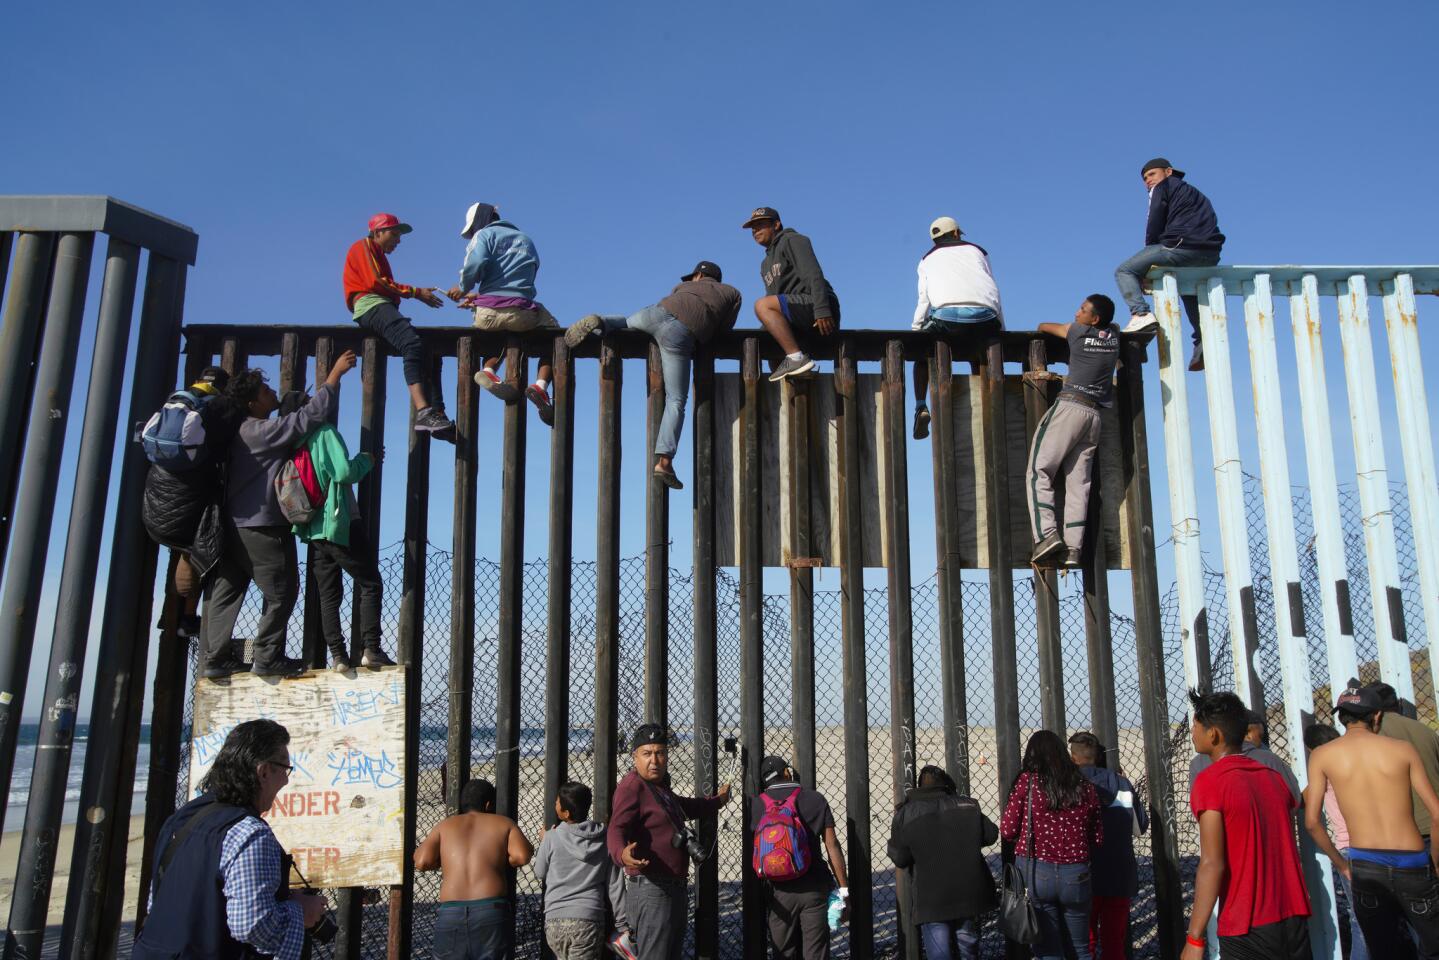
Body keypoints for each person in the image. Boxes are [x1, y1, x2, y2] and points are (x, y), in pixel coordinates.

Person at [201, 350, 358, 679]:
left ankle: (213, 659)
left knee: (228, 589)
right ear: (252, 403)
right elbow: (305, 420)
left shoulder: (238, 434)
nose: (271, 392)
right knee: (282, 591)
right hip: (263, 526)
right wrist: (334, 376)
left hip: (233, 525)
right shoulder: (257, 431)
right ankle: (267, 658)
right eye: (264, 391)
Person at [133, 719, 326, 959]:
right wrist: (300, 912)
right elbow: (253, 925)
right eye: (285, 769)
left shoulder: (182, 819)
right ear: (264, 771)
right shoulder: (250, 834)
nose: (286, 780)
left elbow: (159, 901)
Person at [565, 261, 742, 489]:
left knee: (628, 322)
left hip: (654, 313)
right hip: (679, 333)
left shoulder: (681, 289)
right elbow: (724, 330)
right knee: (676, 400)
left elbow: (668, 306)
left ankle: (603, 321)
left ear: (698, 275)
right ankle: (664, 462)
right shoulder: (732, 293)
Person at [1306, 684, 1439, 958]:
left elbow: (1312, 823)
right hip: (1412, 859)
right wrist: (1436, 861)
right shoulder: (1402, 749)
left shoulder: (1323, 755)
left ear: (1341, 717)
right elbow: (1437, 813)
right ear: (1376, 716)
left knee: (1383, 950)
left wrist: (1342, 865)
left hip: (1365, 863)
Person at [1184, 690, 1311, 960]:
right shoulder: (1272, 776)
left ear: (1213, 734)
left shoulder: (1210, 782)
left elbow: (1212, 863)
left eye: (1195, 727)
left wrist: (1195, 937)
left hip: (1247, 921)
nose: (1192, 733)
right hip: (1293, 914)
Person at [275, 391, 393, 671]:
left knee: (329, 595)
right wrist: (367, 459)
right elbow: (344, 473)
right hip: (339, 524)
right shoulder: (324, 433)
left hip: (312, 530)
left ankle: (338, 656)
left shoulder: (292, 443)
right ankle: (371, 649)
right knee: (370, 583)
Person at [606, 723, 731, 960]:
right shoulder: (632, 787)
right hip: (652, 888)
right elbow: (616, 828)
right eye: (647, 753)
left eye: (660, 753)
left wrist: (718, 800)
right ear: (635, 757)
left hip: (674, 888)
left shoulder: (659, 788)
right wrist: (621, 854)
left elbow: (687, 806)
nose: (654, 760)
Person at [141, 366, 246, 638]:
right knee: (199, 553)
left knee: (182, 551)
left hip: (157, 495)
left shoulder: (176, 401)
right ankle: (188, 619)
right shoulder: (221, 407)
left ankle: (174, 615)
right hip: (191, 495)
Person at [1025, 295, 1120, 568]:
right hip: (1094, 416)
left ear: (1094, 319)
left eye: (1083, 310)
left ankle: (1046, 535)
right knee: (1079, 484)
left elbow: (1044, 325)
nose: (1077, 312)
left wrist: (1070, 324)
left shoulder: (1077, 332)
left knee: (1038, 470)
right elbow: (1113, 328)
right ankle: (1073, 549)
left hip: (1070, 407)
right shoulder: (1113, 337)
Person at [444, 203, 558, 425]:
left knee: (497, 332)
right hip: (522, 313)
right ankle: (541, 386)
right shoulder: (526, 240)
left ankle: (488, 369)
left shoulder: (484, 235)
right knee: (554, 336)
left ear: (480, 221)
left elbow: (475, 264)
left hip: (487, 314)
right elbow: (525, 279)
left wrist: (464, 288)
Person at [342, 212, 455, 436]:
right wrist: (415, 292)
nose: (398, 240)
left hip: (381, 306)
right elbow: (377, 281)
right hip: (370, 305)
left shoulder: (378, 253)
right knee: (412, 344)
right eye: (394, 233)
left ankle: (437, 413)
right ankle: (424, 411)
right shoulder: (364, 246)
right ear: (378, 232)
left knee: (427, 351)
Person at [1000, 730, 1101, 960]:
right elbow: (1097, 837)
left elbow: (1007, 829)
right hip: (1077, 873)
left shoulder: (1029, 781)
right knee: (1081, 948)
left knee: (1048, 951)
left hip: (1038, 871)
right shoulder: (1084, 784)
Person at [1115, 158, 1225, 372]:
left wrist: (1148, 257)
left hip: (1181, 247)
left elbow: (1154, 221)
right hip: (1209, 254)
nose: (1148, 181)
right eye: (1145, 178)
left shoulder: (1163, 187)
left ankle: (1140, 314)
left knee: (1125, 270)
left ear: (1168, 171)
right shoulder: (1195, 193)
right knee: (1188, 289)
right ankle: (1202, 342)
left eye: (1152, 174)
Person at [415, 778, 534, 960]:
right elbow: (522, 856)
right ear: (488, 804)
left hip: (451, 912)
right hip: (491, 910)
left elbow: (422, 861)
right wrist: (501, 859)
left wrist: (443, 863)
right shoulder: (503, 823)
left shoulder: (445, 826)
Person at [886, 765, 997, 960]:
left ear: (919, 787)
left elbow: (900, 858)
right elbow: (991, 835)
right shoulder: (968, 805)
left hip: (932, 897)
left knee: (939, 952)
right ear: (946, 785)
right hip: (969, 891)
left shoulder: (906, 813)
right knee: (968, 945)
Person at [910, 216, 1003, 440]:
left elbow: (924, 299)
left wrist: (915, 331)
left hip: (947, 318)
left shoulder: (926, 259)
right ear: (955, 233)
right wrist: (1000, 326)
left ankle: (921, 406)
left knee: (923, 355)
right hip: (986, 316)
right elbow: (993, 289)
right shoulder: (979, 251)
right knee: (979, 352)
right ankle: (984, 398)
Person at [749, 755, 849, 959]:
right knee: (816, 952)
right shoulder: (815, 799)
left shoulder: (757, 805)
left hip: (778, 892)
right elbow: (832, 846)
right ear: (786, 772)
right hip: (813, 888)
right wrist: (844, 889)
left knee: (783, 952)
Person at [1068, 733, 1147, 960]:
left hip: (1083, 873)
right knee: (1114, 942)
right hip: (1119, 873)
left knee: (1085, 942)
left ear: (1073, 758)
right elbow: (1139, 828)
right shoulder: (1121, 784)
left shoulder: (1070, 785)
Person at [532, 780, 632, 960]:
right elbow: (615, 885)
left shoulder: (552, 837)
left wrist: (545, 841)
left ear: (565, 812)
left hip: (555, 919)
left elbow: (540, 872)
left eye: (557, 802)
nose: (554, 804)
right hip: (589, 919)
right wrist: (622, 924)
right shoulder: (604, 839)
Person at [741, 207, 840, 382]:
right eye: (753, 228)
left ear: (776, 224)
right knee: (766, 341)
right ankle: (797, 379)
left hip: (818, 304)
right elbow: (775, 300)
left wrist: (822, 310)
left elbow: (814, 274)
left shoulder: (792, 240)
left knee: (761, 305)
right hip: (796, 311)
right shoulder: (765, 264)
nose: (756, 231)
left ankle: (796, 358)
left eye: (761, 225)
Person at [1303, 723, 1368, 960]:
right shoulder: (1359, 763)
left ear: (1312, 751)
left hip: (1350, 849)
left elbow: (1303, 808)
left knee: (1360, 920)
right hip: (1381, 843)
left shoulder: (1324, 772)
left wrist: (1339, 863)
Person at [1370, 680, 1439, 844]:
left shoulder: (1373, 735)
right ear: (1398, 704)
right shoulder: (1427, 731)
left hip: (1405, 831)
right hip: (1434, 823)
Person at [1188, 707, 1302, 803]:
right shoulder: (1269, 759)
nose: (1261, 743)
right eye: (1260, 736)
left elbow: (1199, 806)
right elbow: (1295, 798)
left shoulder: (1197, 764)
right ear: (1246, 733)